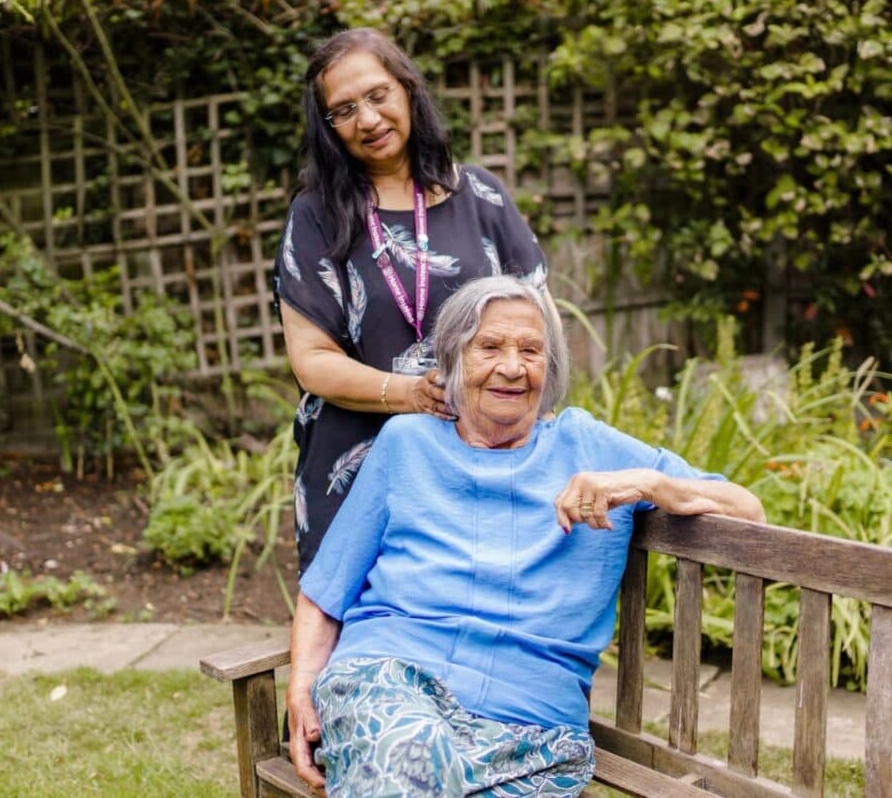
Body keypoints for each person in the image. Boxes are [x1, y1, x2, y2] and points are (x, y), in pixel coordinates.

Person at [286, 276, 766, 797]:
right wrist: (301, 683)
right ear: (453, 360)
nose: (512, 367)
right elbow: (327, 588)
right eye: (489, 347)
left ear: (549, 368)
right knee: (412, 754)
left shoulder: (588, 447)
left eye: (531, 351)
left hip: (529, 730)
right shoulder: (407, 442)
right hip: (390, 685)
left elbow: (749, 512)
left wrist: (643, 483)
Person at [275, 28, 547, 574]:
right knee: (357, 639)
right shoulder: (316, 217)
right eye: (344, 110)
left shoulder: (483, 198)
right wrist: (411, 394)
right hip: (356, 475)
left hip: (483, 467)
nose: (369, 120)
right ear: (327, 128)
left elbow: (543, 332)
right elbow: (312, 362)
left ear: (407, 91)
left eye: (378, 96)